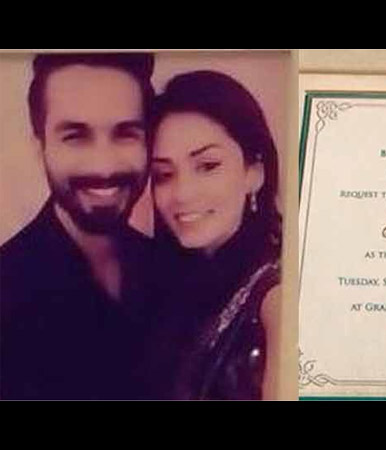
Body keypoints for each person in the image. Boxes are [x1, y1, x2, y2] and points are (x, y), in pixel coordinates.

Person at [0, 52, 155, 400]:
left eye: (126, 133)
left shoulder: (175, 266)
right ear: (40, 147)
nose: (104, 166)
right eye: (75, 136)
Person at [144, 71, 282, 400]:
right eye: (164, 174)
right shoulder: (172, 285)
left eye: (207, 166)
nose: (182, 193)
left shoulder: (276, 301)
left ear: (255, 172)